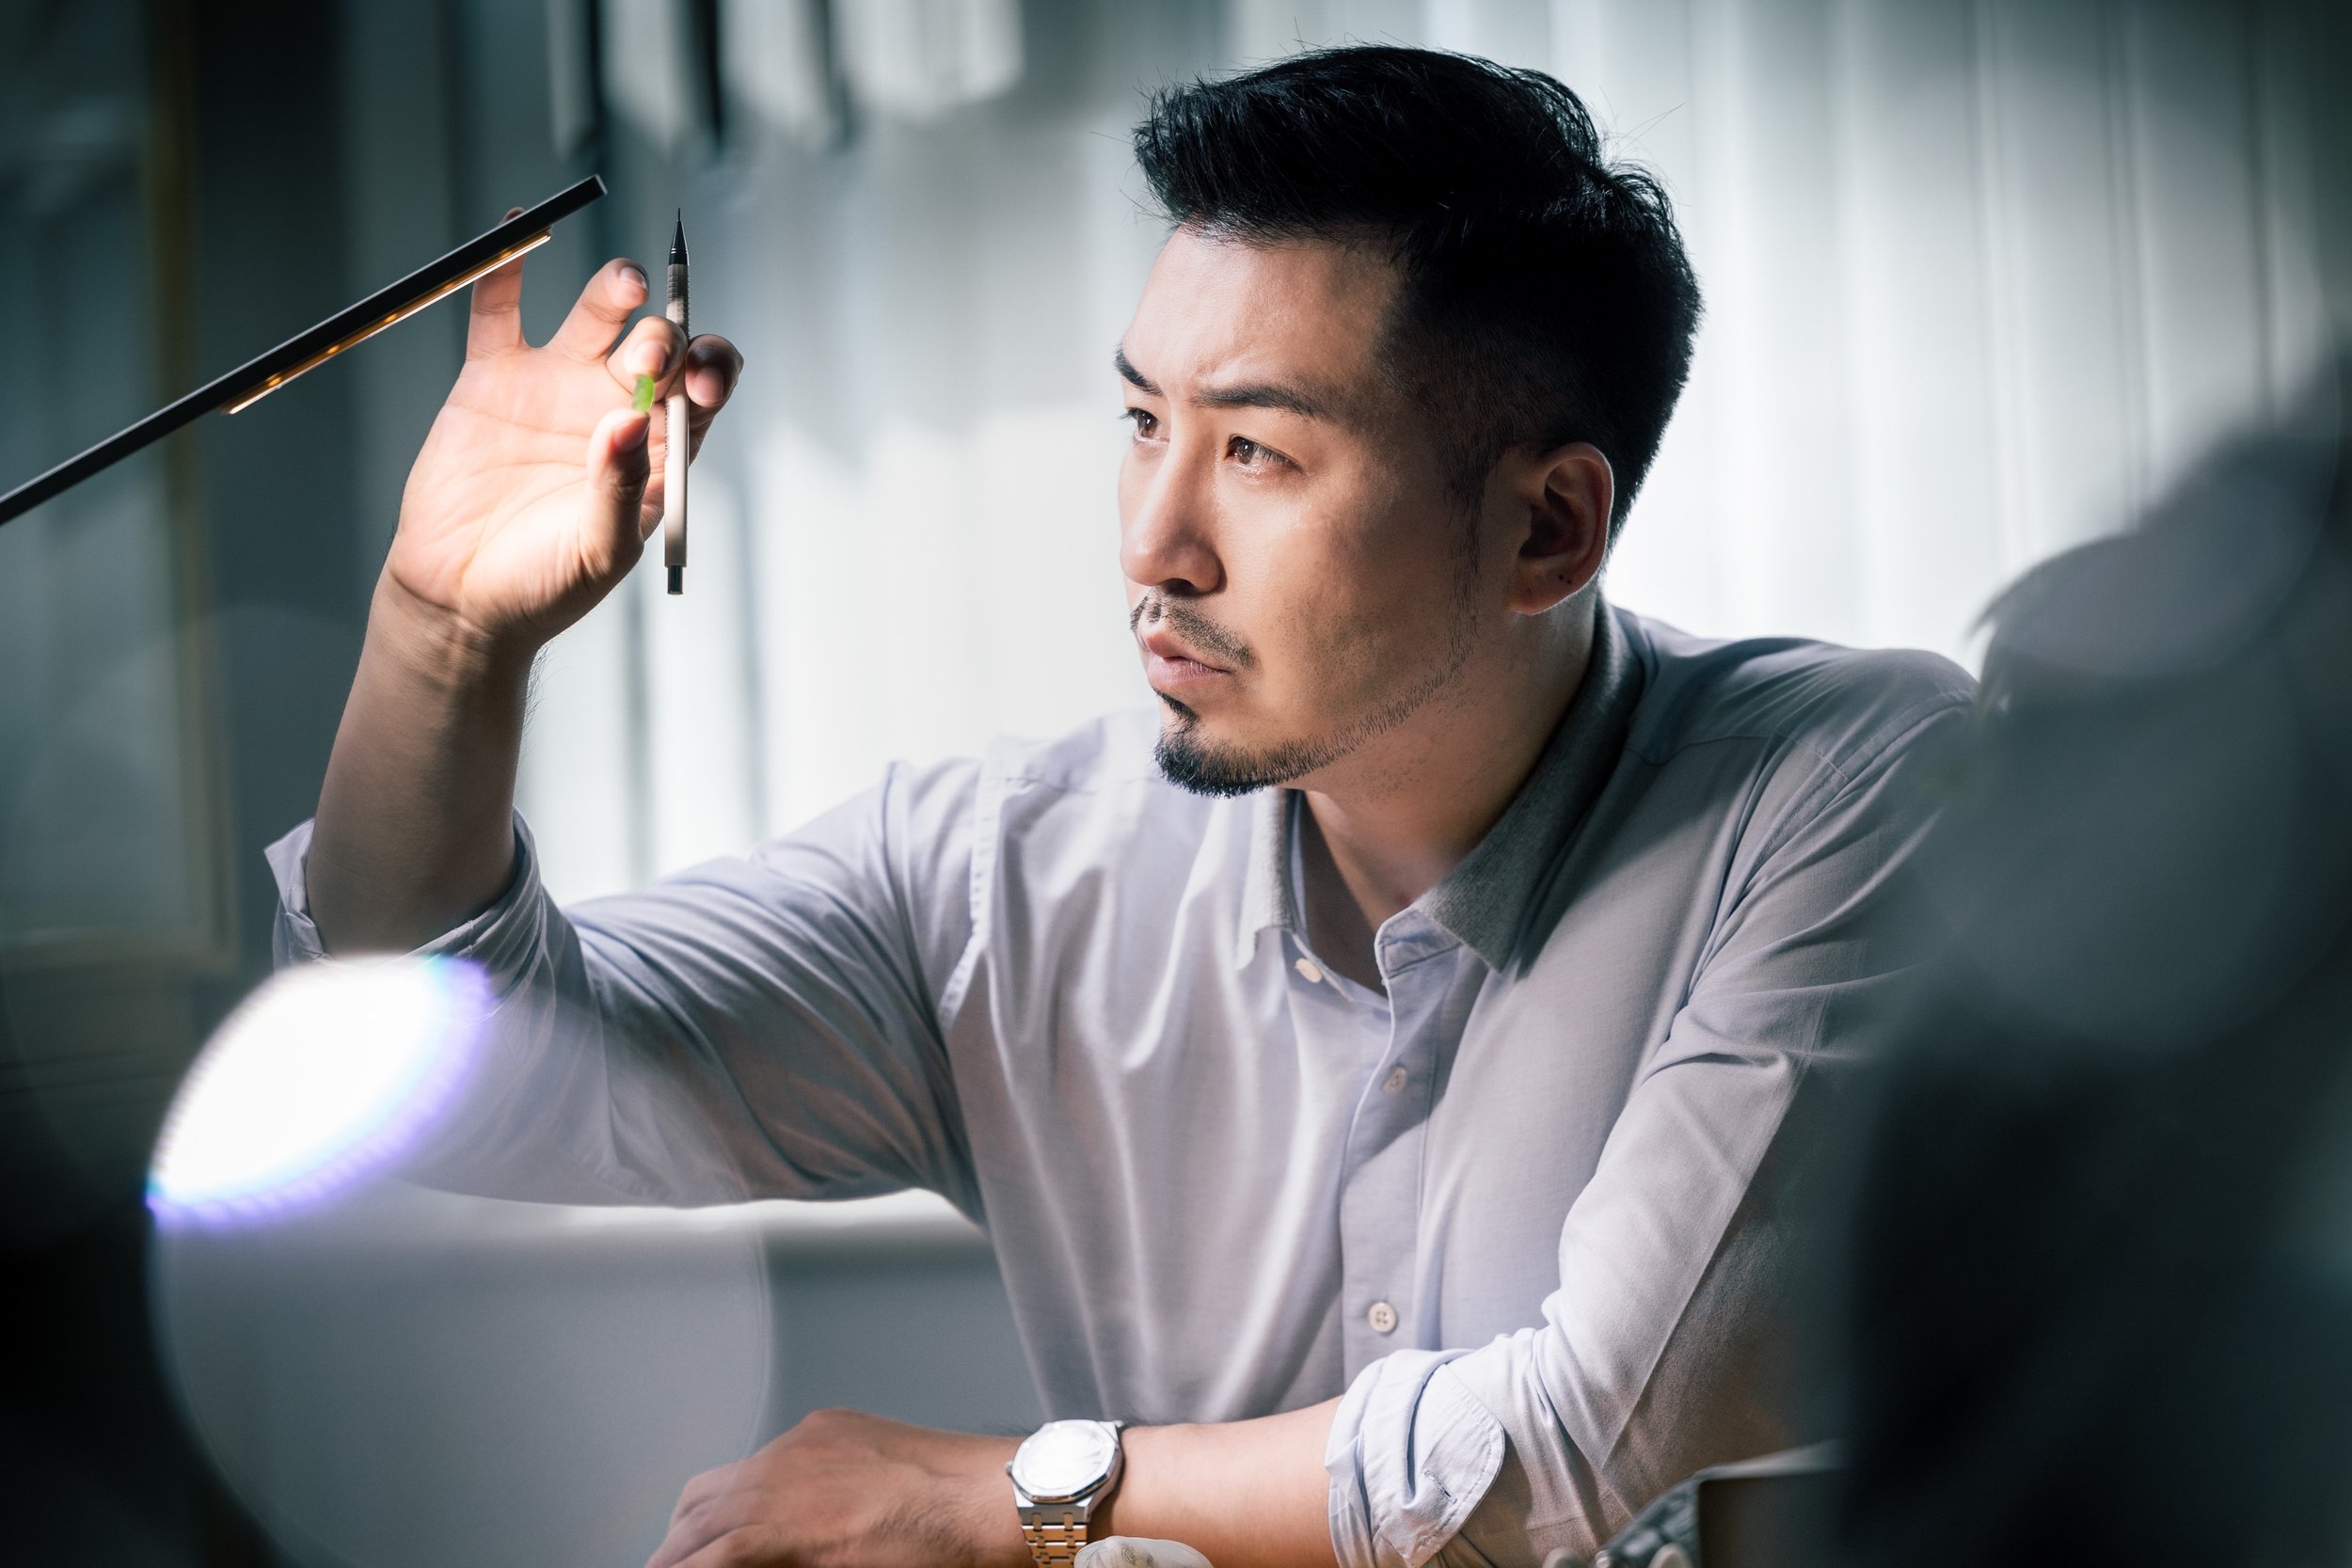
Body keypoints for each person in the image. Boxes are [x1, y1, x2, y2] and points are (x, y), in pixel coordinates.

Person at [273, 46, 1971, 1568]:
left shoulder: (1846, 785)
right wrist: (443, 637)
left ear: (1549, 530)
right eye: (1143, 420)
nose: (1151, 544)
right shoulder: (1005, 879)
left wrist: (1014, 1490)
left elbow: (1603, 1459)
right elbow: (453, 1072)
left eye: (1258, 455)